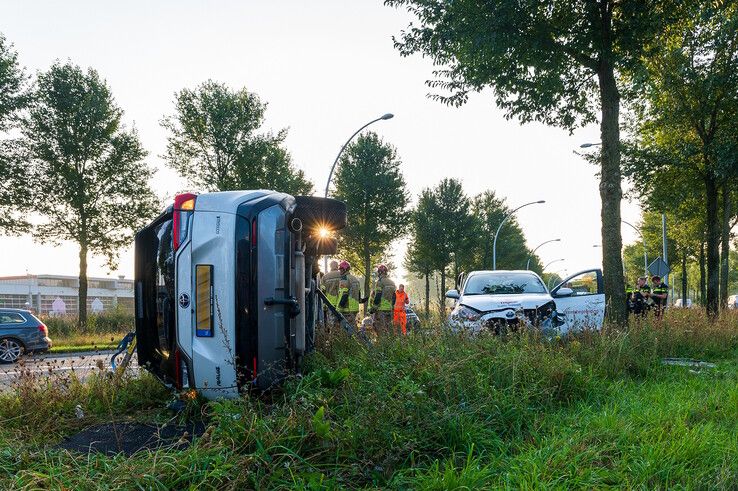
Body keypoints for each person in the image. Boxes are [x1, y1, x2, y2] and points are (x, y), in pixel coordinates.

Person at [335, 260, 362, 328]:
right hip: (354, 308)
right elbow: (359, 293)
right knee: (352, 327)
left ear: (345, 269)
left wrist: (340, 307)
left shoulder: (344, 279)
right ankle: (355, 338)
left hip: (346, 308)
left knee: (345, 329)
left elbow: (344, 293)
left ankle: (349, 338)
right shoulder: (355, 279)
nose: (340, 271)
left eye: (341, 269)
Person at [371, 264, 396, 334]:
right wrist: (392, 306)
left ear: (379, 272)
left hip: (381, 310)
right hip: (390, 310)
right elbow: (394, 297)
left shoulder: (379, 282)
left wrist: (373, 308)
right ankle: (389, 343)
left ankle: (381, 343)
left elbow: (378, 295)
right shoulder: (392, 283)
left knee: (379, 328)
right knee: (389, 328)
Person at [320, 260, 340, 330]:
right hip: (342, 303)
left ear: (330, 267)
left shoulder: (325, 277)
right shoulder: (342, 275)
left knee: (331, 323)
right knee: (342, 322)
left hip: (330, 303)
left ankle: (332, 339)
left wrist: (324, 305)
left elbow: (322, 291)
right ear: (337, 266)